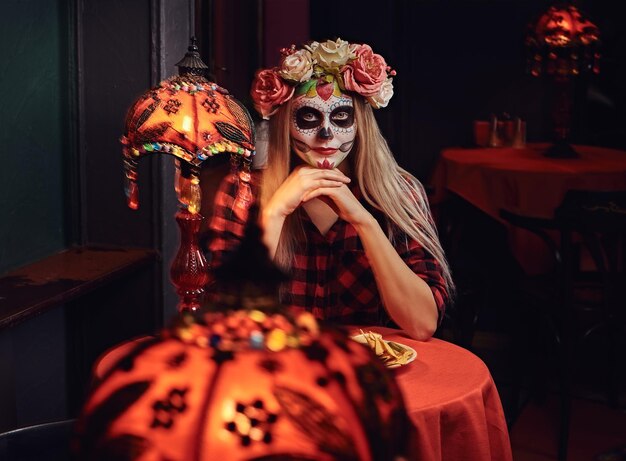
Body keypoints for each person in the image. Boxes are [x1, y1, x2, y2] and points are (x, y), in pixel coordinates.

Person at [207, 38, 453, 340]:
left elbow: (422, 323)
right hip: (277, 374)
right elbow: (224, 324)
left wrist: (365, 222)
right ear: (285, 122)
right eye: (309, 117)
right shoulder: (243, 192)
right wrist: (273, 215)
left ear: (360, 123)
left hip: (369, 377)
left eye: (340, 117)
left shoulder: (400, 193)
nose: (326, 135)